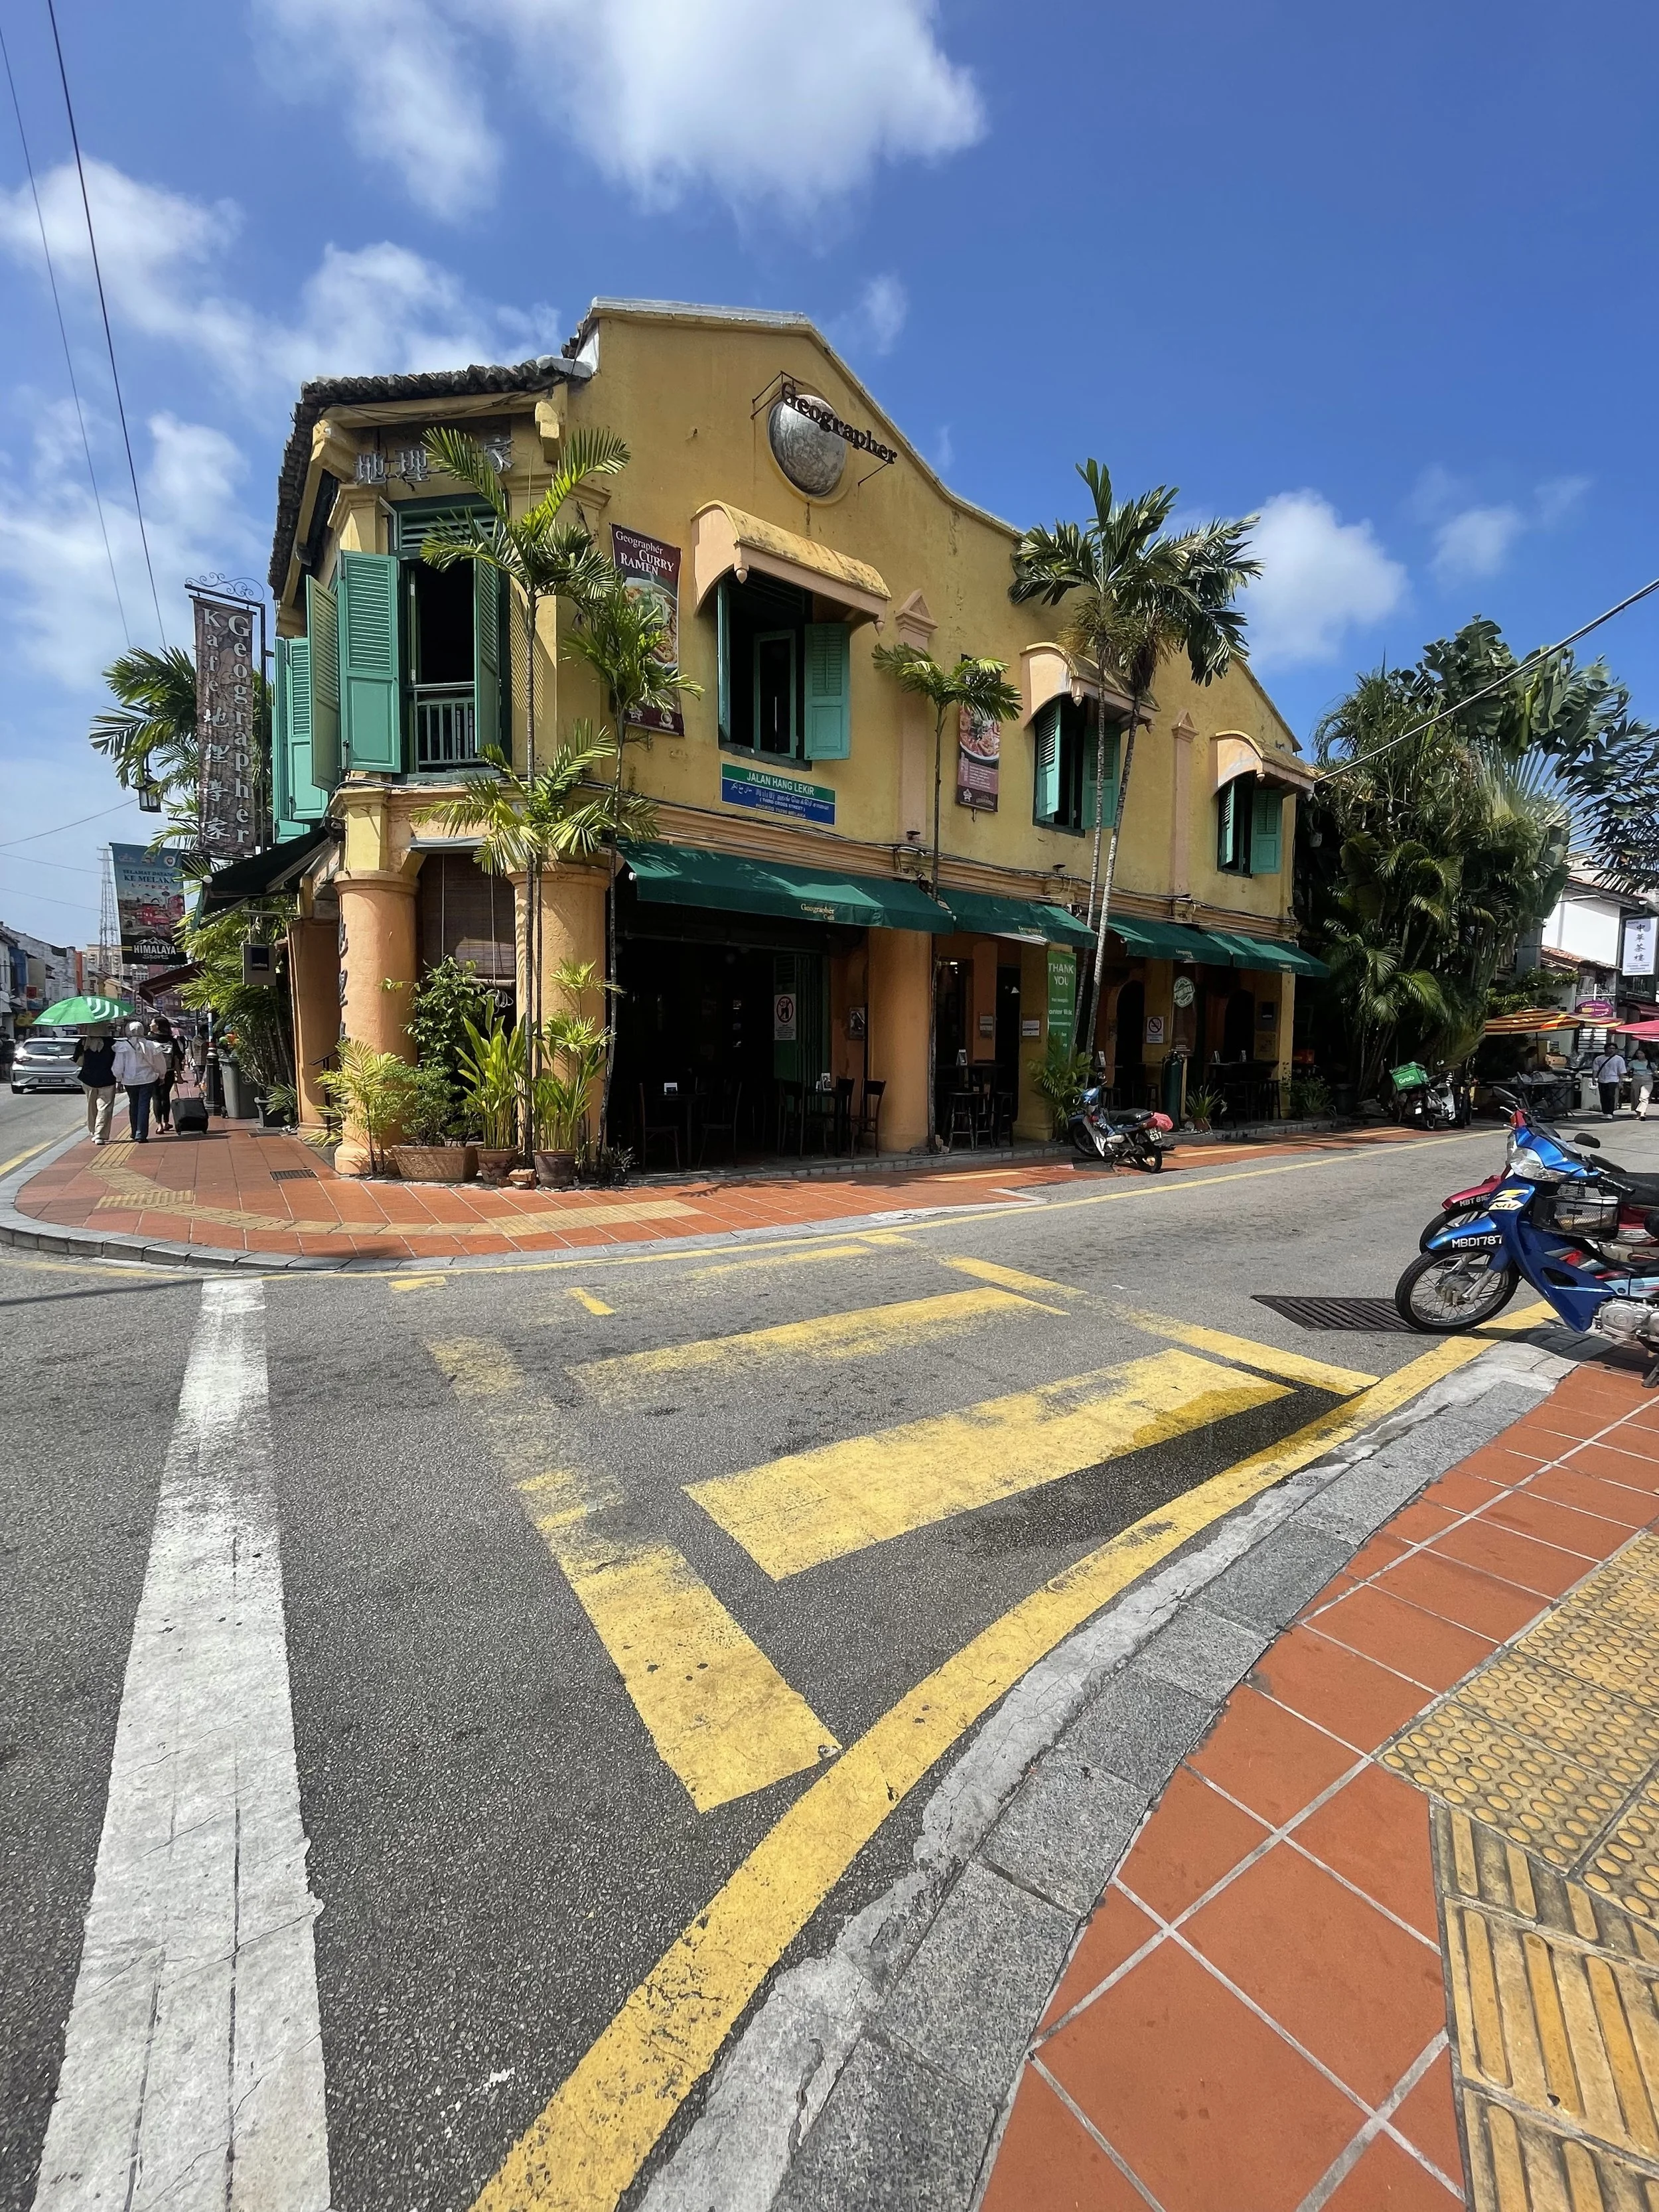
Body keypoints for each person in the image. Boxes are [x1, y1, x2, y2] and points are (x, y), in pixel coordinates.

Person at [112, 1019, 169, 1143]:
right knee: (144, 1105)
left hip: (129, 1080)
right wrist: (162, 1076)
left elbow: (118, 1066)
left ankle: (134, 1132)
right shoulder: (151, 1045)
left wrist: (119, 1079)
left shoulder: (123, 1046)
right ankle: (141, 1134)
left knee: (133, 1104)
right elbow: (160, 1062)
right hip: (147, 1079)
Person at [74, 1027, 117, 1145]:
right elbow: (117, 1062)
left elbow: (79, 1062)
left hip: (88, 1079)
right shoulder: (112, 1043)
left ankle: (93, 1131)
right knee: (105, 1107)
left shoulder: (83, 1042)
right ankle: (100, 1134)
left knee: (91, 1106)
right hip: (108, 1078)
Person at [148, 1015, 182, 1132]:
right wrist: (180, 1076)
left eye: (152, 1023)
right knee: (165, 1097)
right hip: (169, 1072)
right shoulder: (172, 1040)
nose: (150, 1025)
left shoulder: (150, 1040)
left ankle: (159, 1125)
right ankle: (166, 1122)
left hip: (154, 1073)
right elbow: (177, 1059)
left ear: (157, 1026)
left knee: (156, 1097)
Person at [1593, 1043, 1628, 1120]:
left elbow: (1621, 1072)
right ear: (1605, 1049)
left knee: (1610, 1096)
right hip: (1602, 1079)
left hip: (1613, 1079)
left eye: (1613, 1049)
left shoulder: (1619, 1059)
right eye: (1610, 1048)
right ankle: (1605, 1112)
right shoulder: (1599, 1059)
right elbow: (1595, 1070)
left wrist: (1620, 1082)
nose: (1612, 1050)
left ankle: (1610, 1112)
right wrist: (1594, 1079)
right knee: (1603, 1096)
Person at [1635, 1049, 1656, 1121]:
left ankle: (1642, 1113)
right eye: (1638, 1054)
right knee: (1635, 1097)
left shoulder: (1650, 1063)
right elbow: (1626, 1070)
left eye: (1641, 1053)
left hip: (1648, 1080)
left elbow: (1655, 1072)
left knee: (1644, 1097)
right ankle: (1638, 1113)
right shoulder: (1633, 1062)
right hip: (1636, 1080)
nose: (1639, 1055)